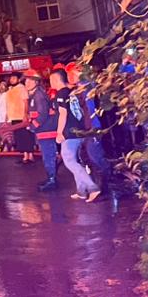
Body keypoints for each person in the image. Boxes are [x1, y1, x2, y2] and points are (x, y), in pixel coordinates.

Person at [66, 62, 118, 210]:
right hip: (88, 128)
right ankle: (103, 187)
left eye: (71, 74)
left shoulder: (88, 87)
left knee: (96, 157)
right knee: (91, 157)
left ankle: (106, 187)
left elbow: (90, 109)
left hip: (94, 127)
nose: (69, 77)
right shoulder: (81, 88)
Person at [51, 68, 100, 202]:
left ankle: (92, 187)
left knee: (70, 161)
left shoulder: (61, 94)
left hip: (69, 132)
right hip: (80, 129)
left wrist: (59, 132)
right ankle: (81, 190)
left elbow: (63, 114)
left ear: (56, 79)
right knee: (75, 160)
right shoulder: (72, 92)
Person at [24, 70, 59, 189]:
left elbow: (43, 114)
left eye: (30, 80)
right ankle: (50, 178)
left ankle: (52, 180)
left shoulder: (38, 96)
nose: (27, 83)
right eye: (26, 80)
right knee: (47, 155)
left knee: (48, 156)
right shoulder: (35, 95)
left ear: (36, 82)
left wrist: (32, 126)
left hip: (46, 131)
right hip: (43, 131)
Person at [4, 73, 31, 161]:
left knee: (25, 136)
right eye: (11, 78)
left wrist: (25, 114)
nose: (12, 79)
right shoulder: (10, 90)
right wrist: (7, 116)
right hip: (13, 117)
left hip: (21, 116)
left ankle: (29, 156)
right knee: (19, 137)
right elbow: (8, 104)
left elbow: (26, 102)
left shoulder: (22, 88)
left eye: (14, 78)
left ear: (18, 79)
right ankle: (25, 156)